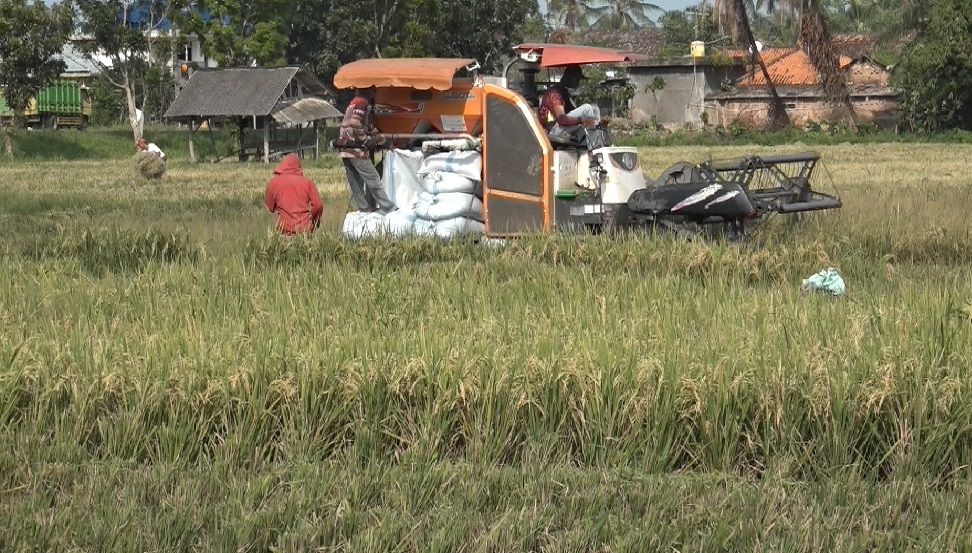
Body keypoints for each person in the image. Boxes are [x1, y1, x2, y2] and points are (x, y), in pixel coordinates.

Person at [335, 86, 396, 214]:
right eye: (374, 91)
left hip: (345, 149)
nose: (375, 94)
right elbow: (355, 123)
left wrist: (386, 143)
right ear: (368, 91)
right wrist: (365, 140)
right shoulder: (362, 102)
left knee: (356, 183)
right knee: (373, 179)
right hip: (356, 149)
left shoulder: (353, 103)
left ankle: (365, 209)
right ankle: (389, 208)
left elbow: (370, 128)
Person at [538, 65, 604, 143]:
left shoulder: (564, 92)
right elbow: (562, 119)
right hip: (552, 131)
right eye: (577, 79)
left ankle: (598, 140)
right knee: (587, 108)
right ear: (571, 79)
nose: (578, 83)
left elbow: (572, 114)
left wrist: (595, 121)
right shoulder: (555, 95)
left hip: (559, 128)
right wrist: (582, 120)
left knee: (594, 109)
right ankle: (595, 147)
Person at [264, 153, 324, 235]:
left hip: (284, 232)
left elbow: (269, 207)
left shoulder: (274, 182)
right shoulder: (308, 183)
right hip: (305, 232)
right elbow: (318, 205)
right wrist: (312, 219)